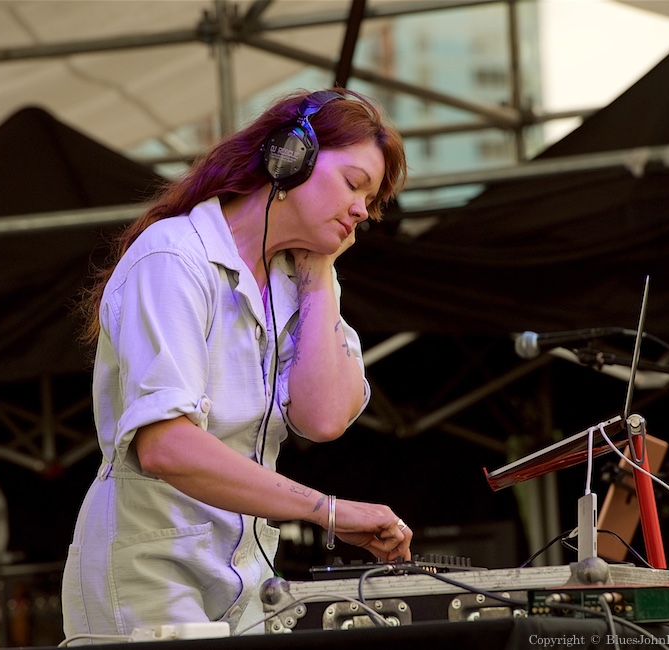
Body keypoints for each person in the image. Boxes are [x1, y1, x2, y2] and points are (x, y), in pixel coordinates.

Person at [61, 88, 412, 640]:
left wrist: (320, 275)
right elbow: (165, 445)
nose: (362, 211)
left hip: (247, 584)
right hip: (149, 581)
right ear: (289, 157)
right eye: (353, 184)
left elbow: (323, 418)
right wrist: (327, 510)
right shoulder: (173, 257)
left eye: (370, 202)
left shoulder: (299, 280)